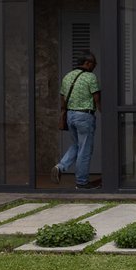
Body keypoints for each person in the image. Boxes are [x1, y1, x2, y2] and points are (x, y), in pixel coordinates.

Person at [52, 53, 100, 189]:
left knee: (76, 145)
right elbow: (97, 98)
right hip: (84, 116)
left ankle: (60, 167)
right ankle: (82, 182)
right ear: (88, 63)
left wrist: (65, 113)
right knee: (85, 150)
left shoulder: (67, 76)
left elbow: (62, 99)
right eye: (94, 64)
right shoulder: (90, 77)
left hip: (70, 115)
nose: (95, 67)